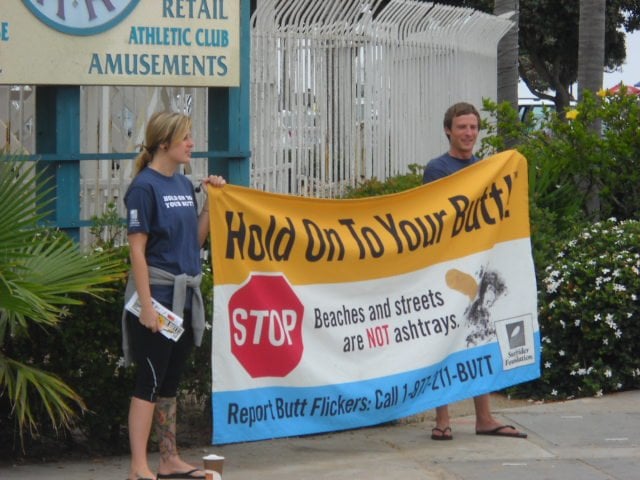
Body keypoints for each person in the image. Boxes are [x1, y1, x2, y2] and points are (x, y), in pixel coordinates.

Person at [121, 111, 227, 480]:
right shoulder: (143, 187)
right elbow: (137, 251)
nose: (191, 143)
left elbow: (193, 242)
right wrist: (147, 307)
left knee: (169, 382)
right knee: (149, 380)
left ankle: (169, 459)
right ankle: (138, 466)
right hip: (157, 298)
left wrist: (211, 203)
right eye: (185, 137)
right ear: (163, 143)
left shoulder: (183, 185)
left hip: (184, 296)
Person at [423, 102, 527, 441]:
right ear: (448, 131)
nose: (468, 133)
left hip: (480, 267)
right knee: (446, 339)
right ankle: (442, 419)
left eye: (473, 127)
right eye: (462, 127)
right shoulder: (436, 169)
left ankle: (484, 417)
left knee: (480, 335)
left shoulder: (487, 169)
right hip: (448, 269)